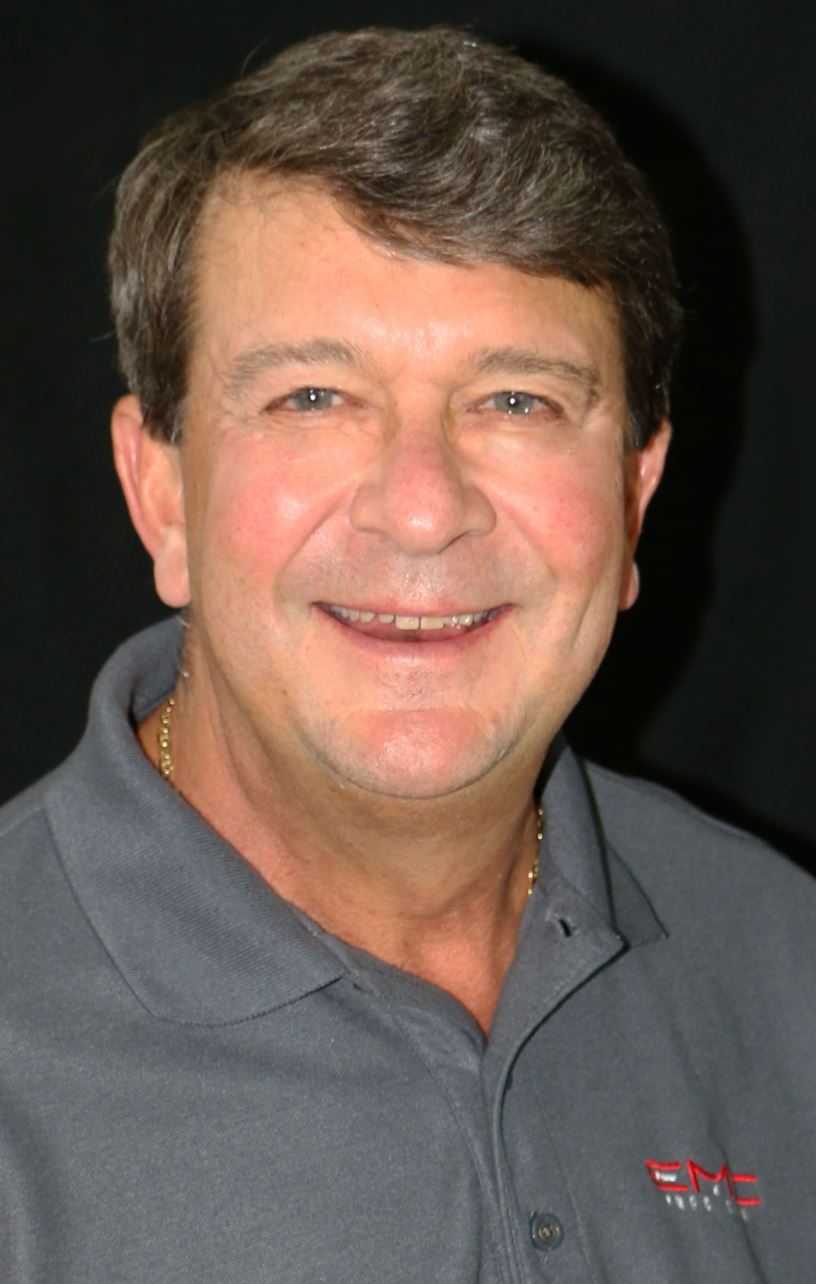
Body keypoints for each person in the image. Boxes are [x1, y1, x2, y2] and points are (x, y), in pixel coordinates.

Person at [1, 26, 813, 1284]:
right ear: (160, 493)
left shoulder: (786, 968)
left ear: (634, 496)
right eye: (314, 399)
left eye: (517, 401)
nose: (424, 509)